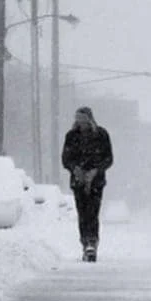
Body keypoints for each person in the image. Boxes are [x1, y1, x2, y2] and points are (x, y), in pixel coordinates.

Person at [61, 106, 114, 262]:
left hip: (96, 181)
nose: (80, 121)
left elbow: (109, 158)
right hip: (78, 181)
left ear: (89, 118)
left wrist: (96, 171)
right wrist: (75, 169)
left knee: (93, 212)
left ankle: (92, 242)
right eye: (77, 118)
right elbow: (66, 159)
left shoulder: (101, 135)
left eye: (83, 118)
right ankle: (85, 242)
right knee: (82, 213)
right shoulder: (71, 136)